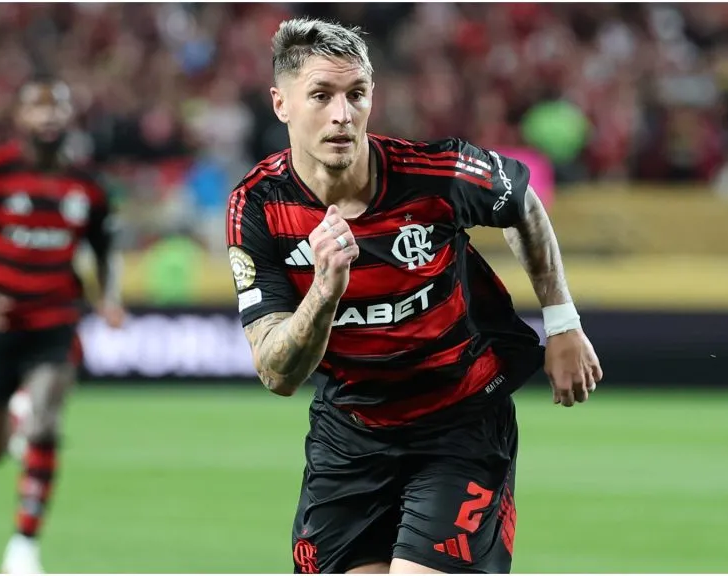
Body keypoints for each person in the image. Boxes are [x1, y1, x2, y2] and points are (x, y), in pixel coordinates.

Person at [225, 19, 603, 575]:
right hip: (351, 433)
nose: (341, 114)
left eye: (355, 94)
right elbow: (277, 373)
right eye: (321, 96)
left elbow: (521, 204)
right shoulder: (257, 207)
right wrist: (326, 294)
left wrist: (563, 320)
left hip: (459, 421)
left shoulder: (435, 173)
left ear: (372, 97)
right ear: (281, 104)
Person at [0, 76, 125, 574]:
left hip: (55, 320)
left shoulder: (88, 185)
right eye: (38, 107)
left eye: (57, 106)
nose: (49, 116)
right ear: (20, 118)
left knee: (46, 423)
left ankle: (23, 546)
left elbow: (106, 249)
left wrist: (108, 298)